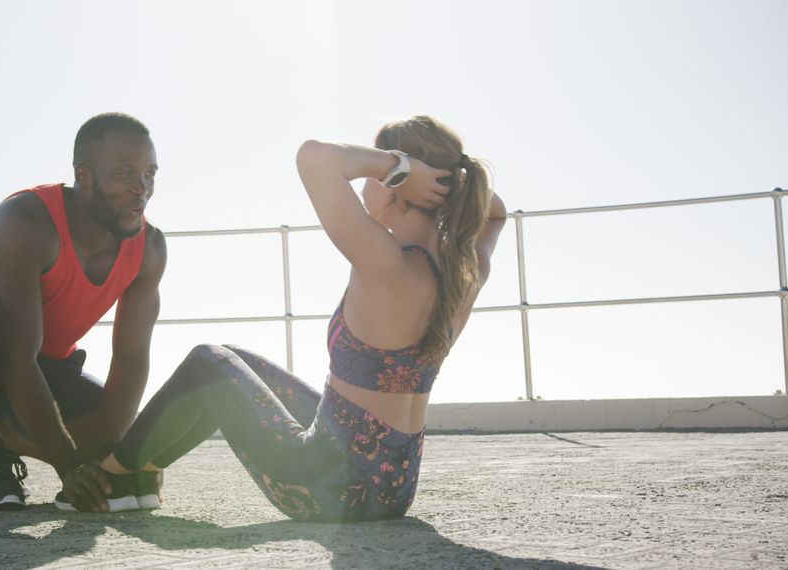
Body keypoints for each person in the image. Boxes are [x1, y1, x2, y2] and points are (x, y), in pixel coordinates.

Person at [93, 115, 507, 521]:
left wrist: (400, 166)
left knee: (207, 361)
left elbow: (315, 157)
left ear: (396, 185)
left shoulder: (387, 263)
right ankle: (142, 473)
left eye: (375, 174)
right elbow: (496, 213)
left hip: (327, 489)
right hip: (393, 490)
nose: (365, 184)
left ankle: (110, 476)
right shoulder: (465, 271)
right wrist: (449, 181)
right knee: (234, 358)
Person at [0, 112, 167, 513]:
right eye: (125, 172)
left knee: (111, 429)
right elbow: (15, 357)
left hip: (47, 366)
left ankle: (5, 433)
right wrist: (68, 465)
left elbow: (131, 360)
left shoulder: (149, 247)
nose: (140, 188)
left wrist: (114, 453)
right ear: (85, 175)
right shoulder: (24, 222)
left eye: (149, 173)